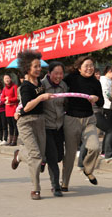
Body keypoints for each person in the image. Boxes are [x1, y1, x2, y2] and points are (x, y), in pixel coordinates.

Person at [11, 50, 51, 200]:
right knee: (35, 156)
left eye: (39, 66)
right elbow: (26, 107)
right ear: (27, 68)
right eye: (35, 66)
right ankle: (35, 189)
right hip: (26, 122)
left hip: (40, 120)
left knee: (40, 156)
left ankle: (20, 155)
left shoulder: (39, 82)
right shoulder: (25, 86)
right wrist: (41, 97)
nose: (39, 69)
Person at [61, 55, 103, 192]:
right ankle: (64, 182)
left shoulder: (96, 82)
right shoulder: (71, 78)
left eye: (91, 66)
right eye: (86, 66)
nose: (90, 68)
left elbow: (101, 102)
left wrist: (96, 98)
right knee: (70, 154)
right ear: (79, 68)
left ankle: (87, 169)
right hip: (71, 119)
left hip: (89, 119)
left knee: (95, 147)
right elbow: (58, 86)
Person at [41, 61, 67, 197]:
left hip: (59, 126)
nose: (58, 76)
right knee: (52, 156)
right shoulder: (41, 85)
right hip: (46, 126)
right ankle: (56, 186)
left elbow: (67, 103)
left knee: (58, 156)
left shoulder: (63, 86)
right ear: (49, 73)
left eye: (61, 73)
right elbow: (31, 100)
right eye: (56, 73)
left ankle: (43, 159)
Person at [100, 65, 112, 160]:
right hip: (108, 106)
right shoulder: (104, 80)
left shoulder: (109, 80)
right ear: (109, 71)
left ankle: (107, 150)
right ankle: (106, 151)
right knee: (110, 129)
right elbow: (106, 93)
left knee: (111, 130)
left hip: (110, 106)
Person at [2, 74, 19, 146]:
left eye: (8, 78)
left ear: (10, 79)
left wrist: (9, 100)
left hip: (14, 108)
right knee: (10, 125)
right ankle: (10, 140)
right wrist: (5, 100)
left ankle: (14, 140)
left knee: (15, 125)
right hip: (7, 109)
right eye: (5, 78)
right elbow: (2, 98)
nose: (7, 80)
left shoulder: (14, 87)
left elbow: (17, 97)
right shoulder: (4, 88)